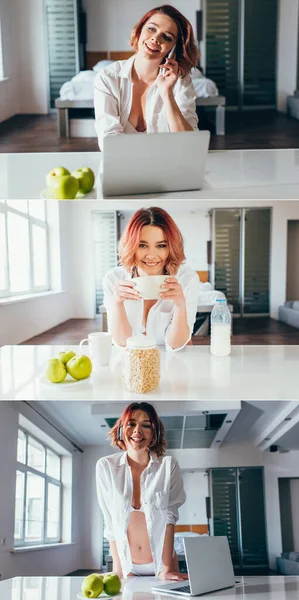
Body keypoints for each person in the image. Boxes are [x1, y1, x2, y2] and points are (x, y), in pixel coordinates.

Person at [96, 402, 188, 579]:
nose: (138, 431)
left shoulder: (168, 466)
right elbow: (109, 522)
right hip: (127, 566)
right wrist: (119, 569)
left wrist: (165, 569)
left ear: (155, 433)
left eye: (146, 425)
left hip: (162, 563)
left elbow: (170, 518)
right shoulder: (105, 466)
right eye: (131, 424)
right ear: (121, 429)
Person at [94, 5, 200, 148]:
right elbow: (108, 141)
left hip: (168, 166)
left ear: (174, 49)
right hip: (122, 165)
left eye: (167, 37)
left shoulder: (181, 82)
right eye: (151, 29)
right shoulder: (108, 78)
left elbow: (190, 144)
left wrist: (167, 93)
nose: (155, 39)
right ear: (139, 30)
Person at [102, 207, 200, 350]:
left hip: (173, 362)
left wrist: (180, 304)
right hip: (130, 361)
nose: (151, 255)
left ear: (170, 248)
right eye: (142, 245)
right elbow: (122, 344)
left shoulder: (187, 279)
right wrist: (117, 304)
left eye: (161, 246)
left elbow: (176, 345)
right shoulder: (114, 279)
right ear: (131, 246)